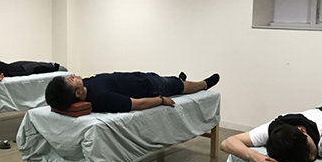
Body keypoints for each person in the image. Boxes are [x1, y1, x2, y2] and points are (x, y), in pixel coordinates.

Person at [45, 71, 220, 113]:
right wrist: (161, 100)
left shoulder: (85, 85)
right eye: (70, 81)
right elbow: (137, 104)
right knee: (177, 85)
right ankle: (202, 84)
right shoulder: (102, 98)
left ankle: (179, 79)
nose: (71, 76)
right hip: (151, 88)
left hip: (140, 77)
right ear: (77, 94)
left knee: (170, 80)